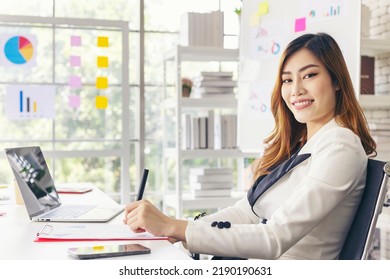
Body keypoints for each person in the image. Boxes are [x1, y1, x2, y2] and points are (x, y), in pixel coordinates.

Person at [123, 33, 377, 260]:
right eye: (287, 80)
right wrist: (178, 230)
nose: (296, 90)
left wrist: (172, 227)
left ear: (336, 81)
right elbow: (245, 213)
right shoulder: (302, 145)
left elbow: (275, 238)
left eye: (310, 75)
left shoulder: (341, 146)